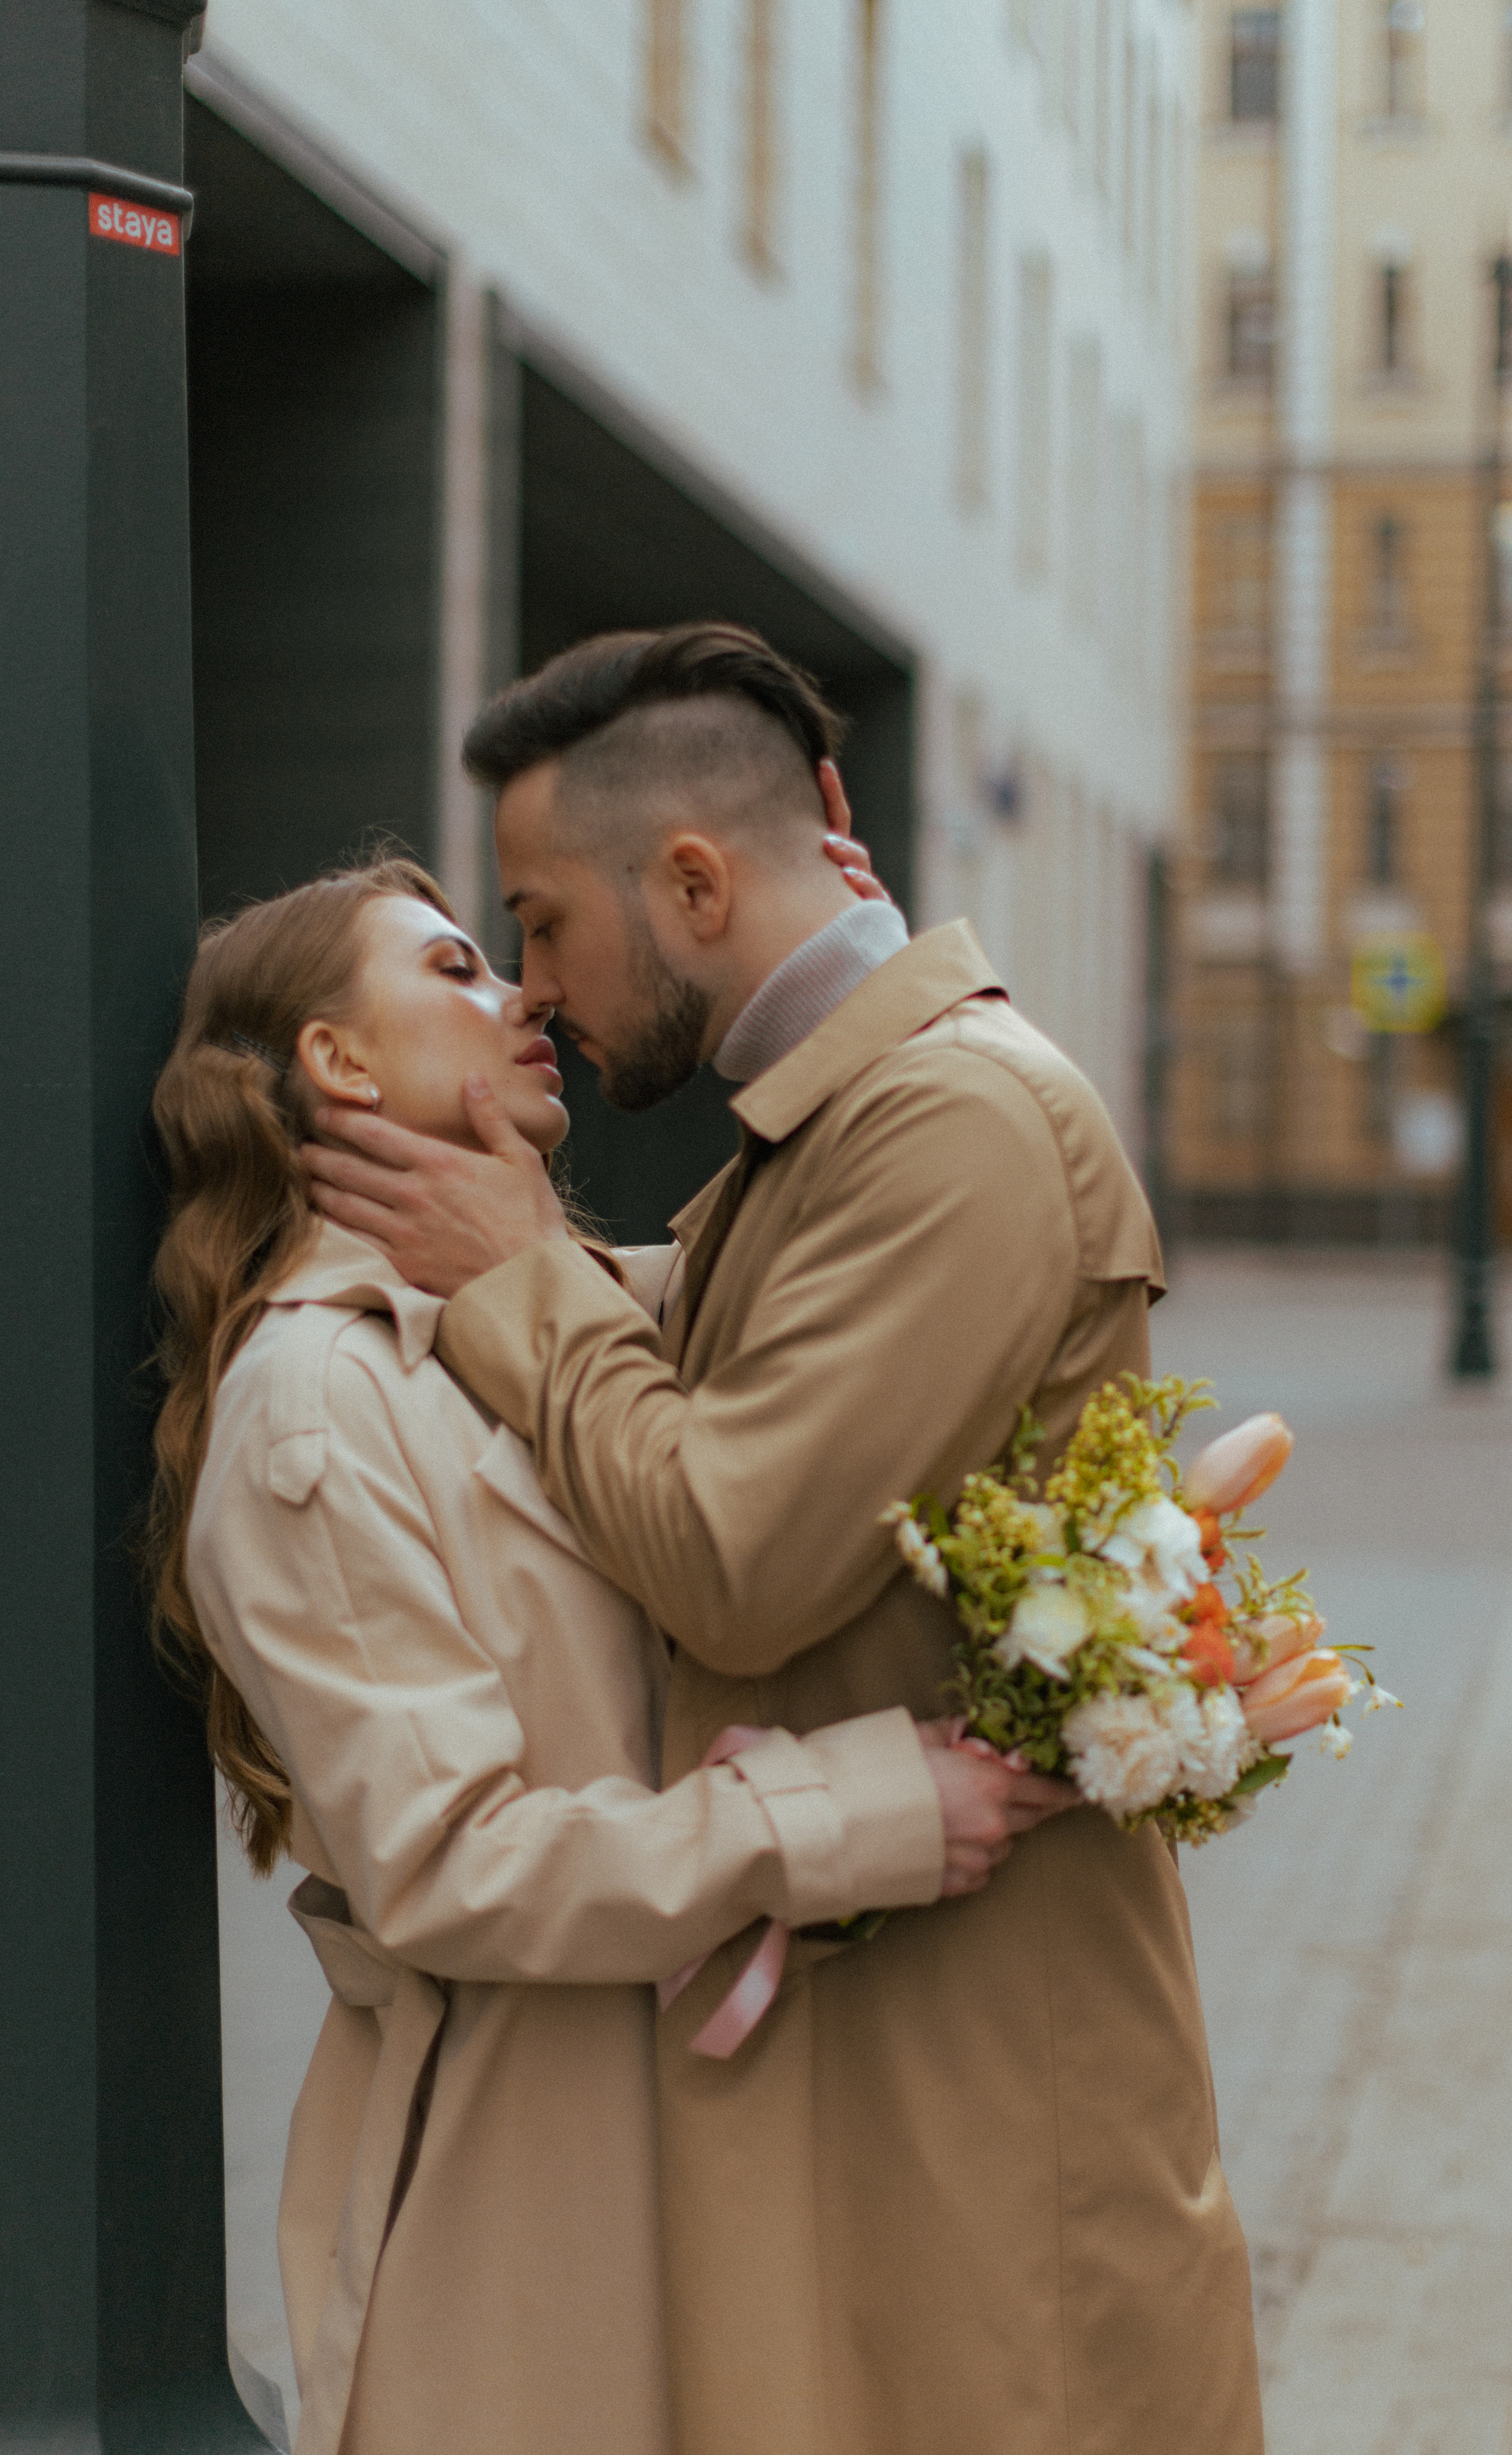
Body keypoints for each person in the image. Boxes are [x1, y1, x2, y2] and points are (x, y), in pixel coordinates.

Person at [305, 624, 1263, 2455]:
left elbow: (735, 1559)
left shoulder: (953, 1123)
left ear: (690, 880)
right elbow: (694, 1385)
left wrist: (514, 1272)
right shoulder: (821, 1133)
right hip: (882, 2055)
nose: (534, 988)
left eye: (544, 922)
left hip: (978, 2096)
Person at [148, 853, 1070, 2455]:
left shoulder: (534, 1307)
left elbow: (799, 1280)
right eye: (454, 968)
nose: (525, 998)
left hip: (697, 2136)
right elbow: (450, 1859)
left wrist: (829, 955)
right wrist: (860, 1815)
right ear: (336, 1064)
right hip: (525, 2196)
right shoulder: (316, 1402)